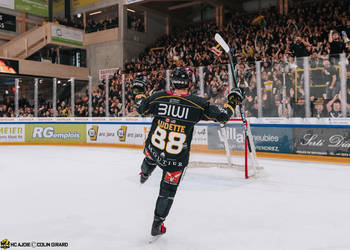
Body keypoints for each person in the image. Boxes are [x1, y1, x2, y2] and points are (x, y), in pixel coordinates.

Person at [132, 67, 244, 237]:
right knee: (167, 193)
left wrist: (139, 90)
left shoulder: (159, 97)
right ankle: (157, 225)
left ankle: (144, 174)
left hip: (154, 149)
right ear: (190, 83)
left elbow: (140, 107)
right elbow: (223, 116)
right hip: (175, 161)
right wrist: (233, 100)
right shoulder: (197, 104)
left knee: (150, 156)